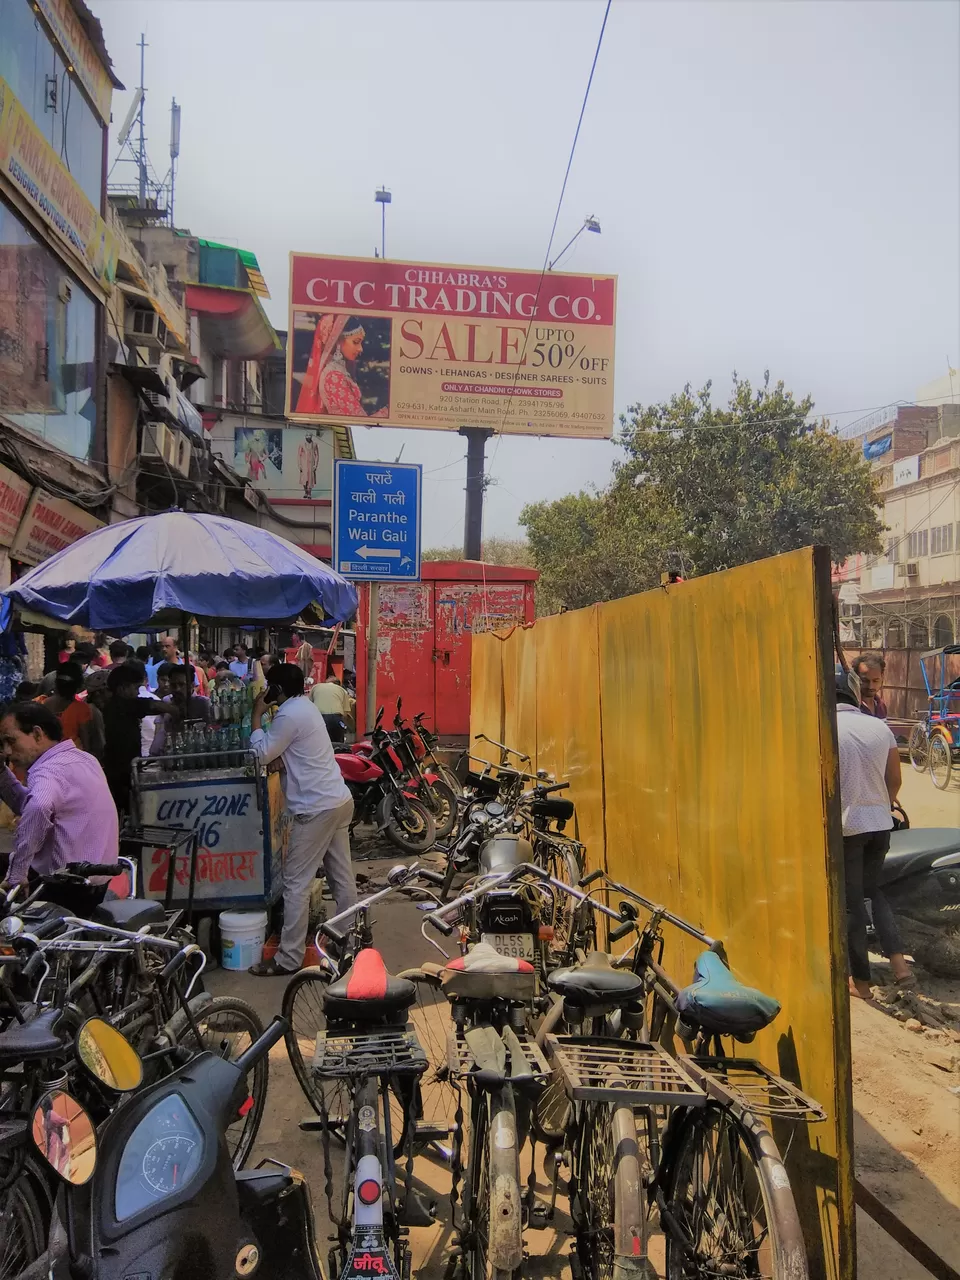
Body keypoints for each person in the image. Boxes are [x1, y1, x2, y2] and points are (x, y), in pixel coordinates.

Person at [246, 663, 355, 976]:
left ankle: (288, 959)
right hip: (337, 799)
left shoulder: (289, 715)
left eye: (269, 687)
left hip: (317, 807)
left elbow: (261, 754)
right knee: (342, 878)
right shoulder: (302, 708)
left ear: (277, 690)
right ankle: (348, 939)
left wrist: (256, 715)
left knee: (296, 885)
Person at [835, 669, 912, 997]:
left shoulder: (824, 726)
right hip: (880, 824)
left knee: (852, 904)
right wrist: (882, 803)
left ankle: (861, 984)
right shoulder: (878, 726)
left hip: (848, 827)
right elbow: (894, 779)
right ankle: (900, 966)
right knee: (873, 892)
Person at [0, 702, 119, 888]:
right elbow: (29, 805)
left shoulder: (49, 771)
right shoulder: (85, 759)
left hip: (66, 885)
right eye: (4, 744)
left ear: (38, 734)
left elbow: (39, 806)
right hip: (99, 881)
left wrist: (17, 873)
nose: (7, 751)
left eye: (12, 741)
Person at [102, 664, 175, 815]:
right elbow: (151, 705)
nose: (137, 693)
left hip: (123, 767)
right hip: (120, 771)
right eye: (135, 688)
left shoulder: (116, 705)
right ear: (122, 688)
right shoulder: (120, 705)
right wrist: (177, 710)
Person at [295, 314, 388, 418]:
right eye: (356, 342)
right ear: (338, 342)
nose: (360, 349)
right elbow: (361, 421)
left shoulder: (338, 371)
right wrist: (390, 411)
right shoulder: (333, 377)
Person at [44, 662, 105, 758]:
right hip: (71, 759)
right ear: (79, 685)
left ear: (56, 683)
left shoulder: (42, 703)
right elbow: (86, 744)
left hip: (47, 757)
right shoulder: (81, 709)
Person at [150, 662, 211, 754]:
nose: (177, 689)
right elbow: (156, 745)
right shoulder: (167, 703)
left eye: (182, 685)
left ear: (191, 685)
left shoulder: (203, 704)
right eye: (173, 685)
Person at [310, 674, 355, 743]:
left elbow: (309, 704)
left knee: (319, 743)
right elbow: (346, 712)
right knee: (338, 743)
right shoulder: (342, 691)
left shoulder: (316, 687)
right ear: (338, 684)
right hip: (335, 718)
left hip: (319, 718)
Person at [854, 653, 888, 720]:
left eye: (875, 681)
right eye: (865, 681)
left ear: (882, 677)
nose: (870, 686)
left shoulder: (881, 706)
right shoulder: (852, 707)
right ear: (855, 677)